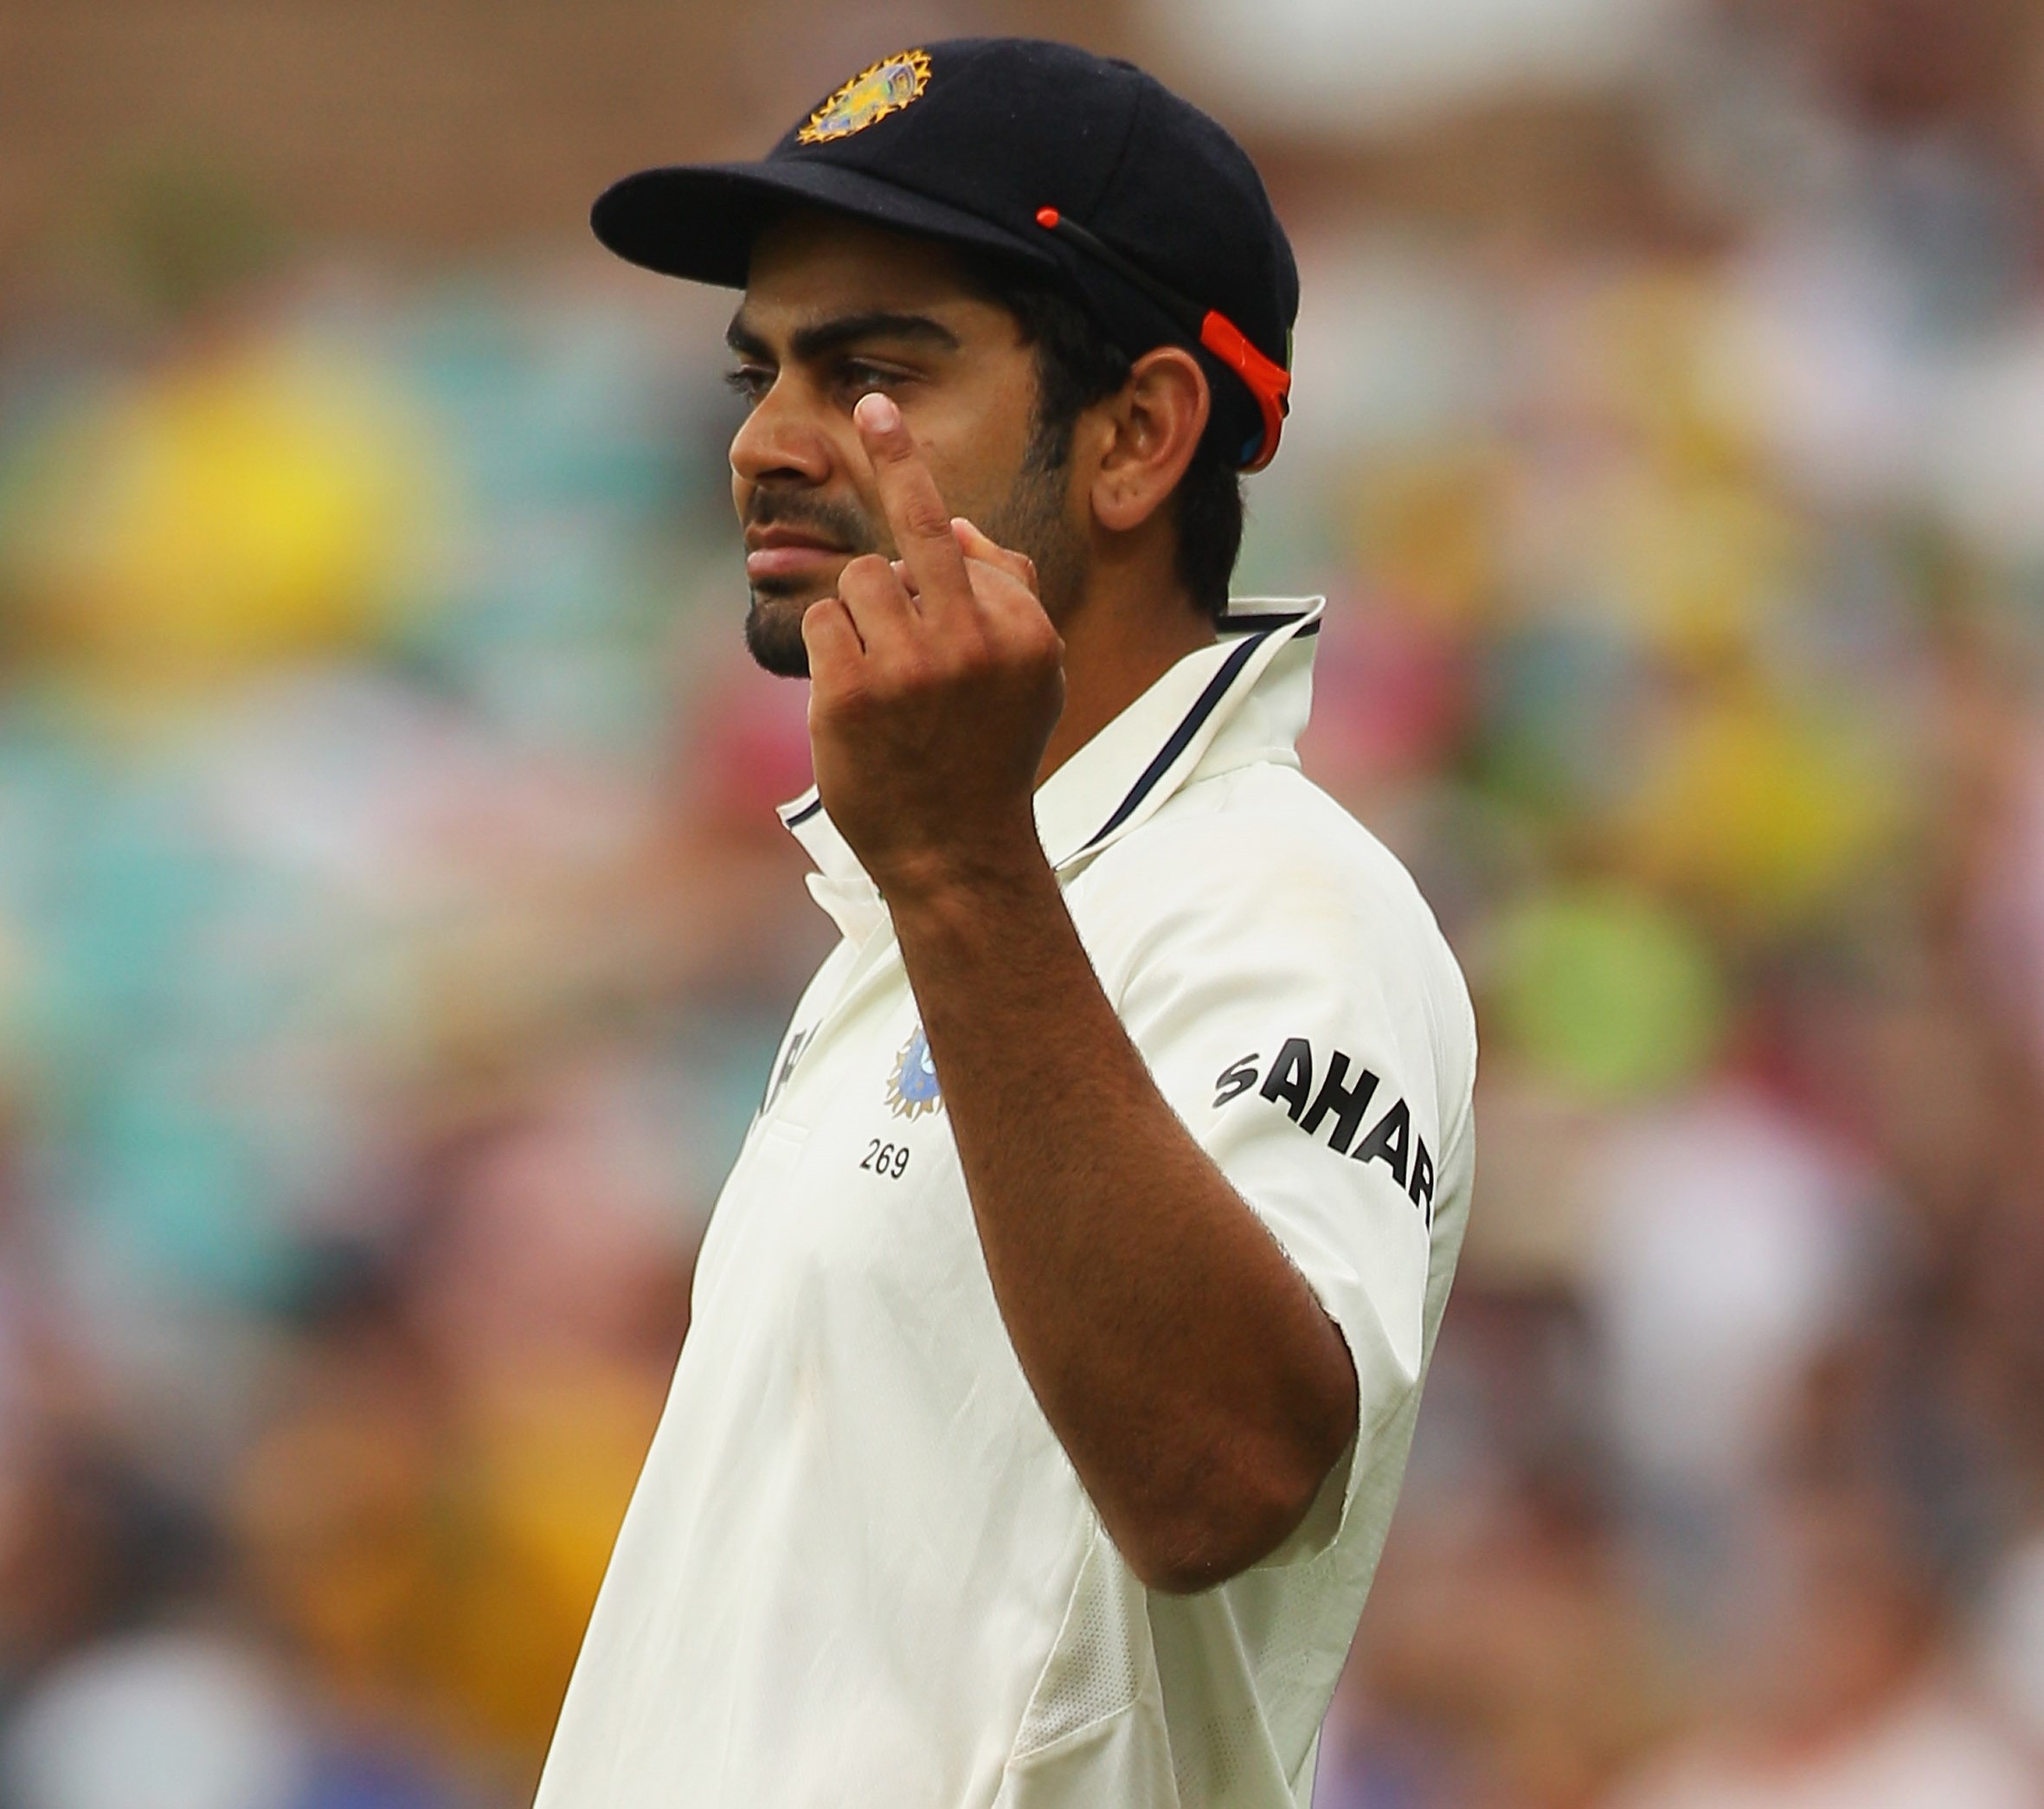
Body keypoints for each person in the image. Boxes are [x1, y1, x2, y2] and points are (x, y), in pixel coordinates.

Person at [535, 37, 1476, 1809]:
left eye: (870, 370)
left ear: (1134, 436)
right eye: (759, 370)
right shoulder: (930, 896)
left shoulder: (1292, 904)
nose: (759, 439)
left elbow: (1218, 1474)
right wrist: (954, 869)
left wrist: (965, 870)